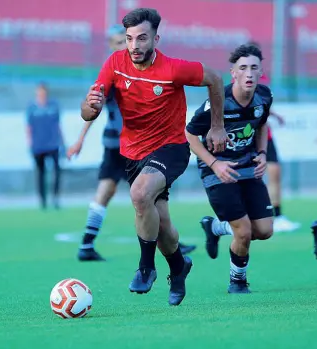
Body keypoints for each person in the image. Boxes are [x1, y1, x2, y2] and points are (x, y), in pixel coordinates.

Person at [80, 8, 228, 305]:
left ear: (155, 39)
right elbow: (89, 111)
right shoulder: (114, 63)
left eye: (142, 38)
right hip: (133, 153)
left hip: (170, 147)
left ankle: (146, 267)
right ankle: (179, 266)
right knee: (161, 227)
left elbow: (214, 78)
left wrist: (217, 126)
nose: (134, 45)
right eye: (130, 38)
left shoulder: (173, 69)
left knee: (139, 193)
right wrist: (90, 105)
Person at [68, 24, 196, 261]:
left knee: (149, 197)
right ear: (112, 45)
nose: (128, 47)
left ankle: (169, 244)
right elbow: (93, 108)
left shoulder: (138, 69)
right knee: (117, 193)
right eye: (121, 42)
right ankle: (87, 242)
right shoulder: (114, 72)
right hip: (119, 145)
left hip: (140, 145)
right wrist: (80, 140)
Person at [186, 44, 274, 294]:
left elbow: (261, 125)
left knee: (265, 231)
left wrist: (262, 154)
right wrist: (215, 163)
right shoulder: (218, 103)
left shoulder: (264, 97)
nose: (249, 73)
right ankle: (237, 281)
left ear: (260, 72)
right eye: (243, 68)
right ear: (233, 73)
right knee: (244, 232)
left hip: (248, 169)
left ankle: (214, 227)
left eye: (254, 68)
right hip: (217, 173)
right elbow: (190, 135)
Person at [246, 41, 301, 233]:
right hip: (248, 136)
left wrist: (274, 115)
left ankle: (278, 215)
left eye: (256, 62)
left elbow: (264, 104)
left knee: (275, 172)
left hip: (265, 134)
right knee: (249, 177)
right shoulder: (242, 81)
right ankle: (247, 217)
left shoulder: (264, 78)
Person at [26, 83, 64, 209]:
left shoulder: (53, 106)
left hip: (53, 144)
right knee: (41, 173)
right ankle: (43, 201)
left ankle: (56, 197)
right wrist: (30, 143)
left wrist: (62, 141)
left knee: (57, 171)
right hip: (39, 145)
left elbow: (58, 125)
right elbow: (29, 127)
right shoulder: (32, 108)